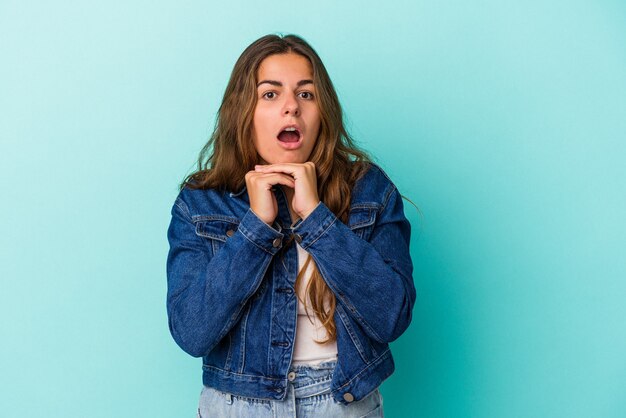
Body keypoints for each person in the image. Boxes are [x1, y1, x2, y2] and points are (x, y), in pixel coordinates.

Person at [166, 33, 416, 418]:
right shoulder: (200, 202)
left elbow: (392, 316)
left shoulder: (369, 189)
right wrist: (256, 228)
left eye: (306, 94)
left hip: (343, 401)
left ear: (322, 113)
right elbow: (191, 331)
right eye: (270, 94)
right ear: (243, 111)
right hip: (238, 406)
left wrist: (316, 218)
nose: (290, 108)